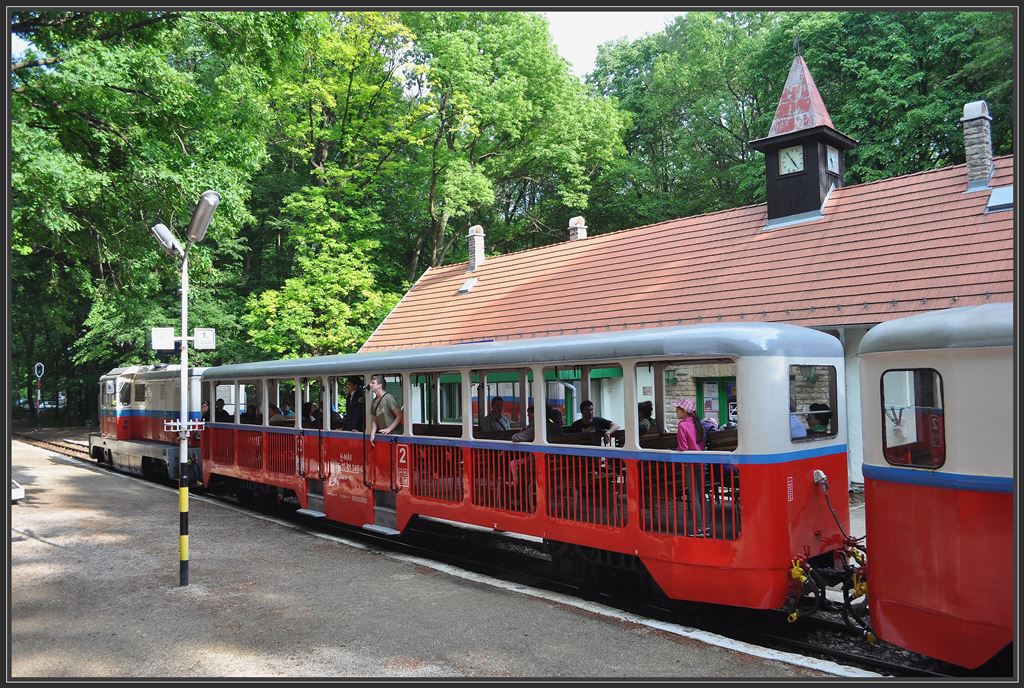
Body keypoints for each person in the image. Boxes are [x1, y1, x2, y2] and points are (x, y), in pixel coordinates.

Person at [676, 398, 709, 536]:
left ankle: (700, 528)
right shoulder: (698, 424)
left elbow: (683, 447)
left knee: (693, 495)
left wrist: (675, 450)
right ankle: (707, 526)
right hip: (701, 462)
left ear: (684, 411)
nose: (676, 412)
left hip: (689, 463)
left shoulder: (682, 425)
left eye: (678, 409)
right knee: (701, 494)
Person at [369, 374, 403, 445]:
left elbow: (399, 415)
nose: (370, 385)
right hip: (383, 436)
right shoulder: (374, 401)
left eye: (373, 383)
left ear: (380, 385)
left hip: (394, 436)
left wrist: (389, 429)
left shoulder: (389, 398)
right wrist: (372, 434)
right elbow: (374, 420)